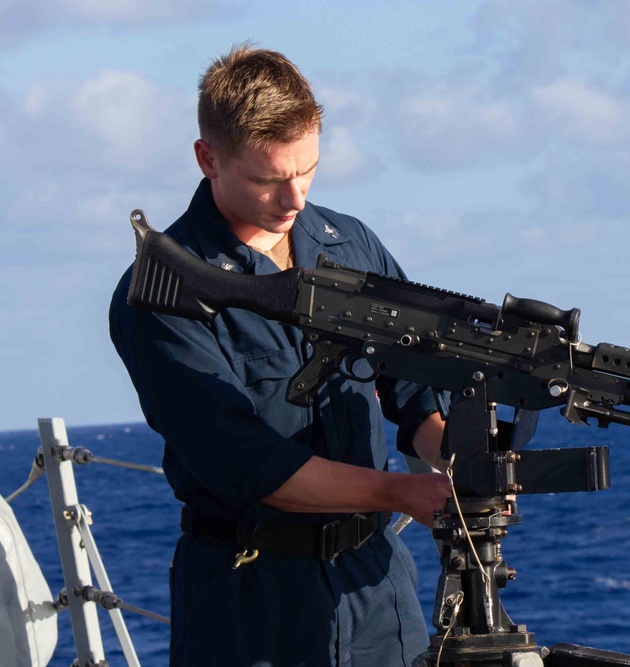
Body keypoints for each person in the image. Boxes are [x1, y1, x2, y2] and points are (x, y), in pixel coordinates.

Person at [109, 44, 453, 667]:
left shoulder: (350, 244)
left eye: (309, 170)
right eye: (268, 179)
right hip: (250, 602)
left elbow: (417, 393)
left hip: (376, 594)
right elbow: (248, 464)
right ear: (207, 158)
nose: (294, 198)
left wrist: (458, 455)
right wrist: (402, 492)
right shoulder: (163, 293)